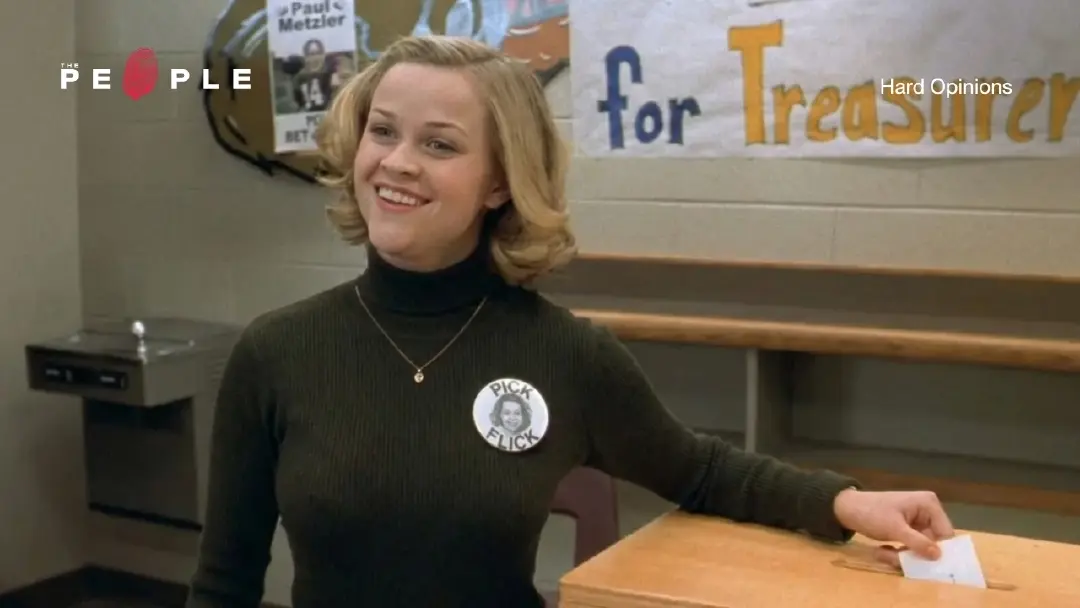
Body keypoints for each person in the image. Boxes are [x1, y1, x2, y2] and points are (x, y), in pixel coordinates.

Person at [186, 35, 955, 607]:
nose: (397, 161)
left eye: (439, 144)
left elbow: (702, 470)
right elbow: (224, 580)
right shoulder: (277, 352)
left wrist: (848, 503)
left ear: (498, 183)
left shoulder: (564, 353)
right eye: (382, 131)